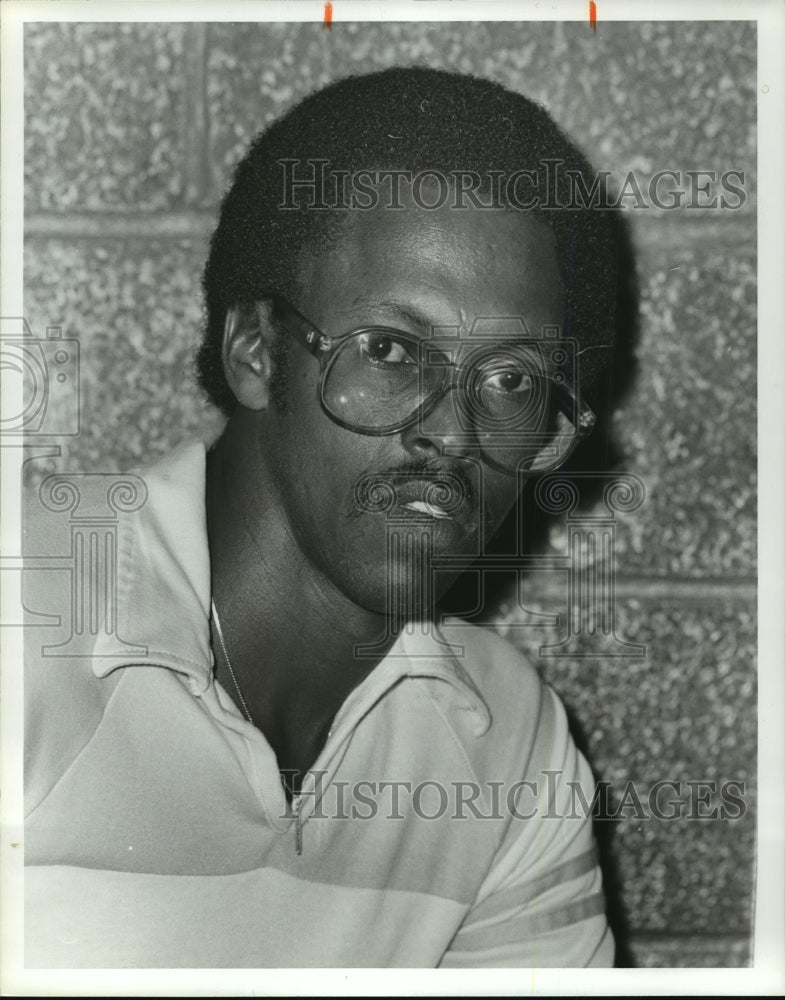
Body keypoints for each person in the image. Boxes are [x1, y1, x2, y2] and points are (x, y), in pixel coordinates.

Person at [23, 67, 623, 967]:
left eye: (511, 381)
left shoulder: (507, 739)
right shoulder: (23, 612)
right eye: (388, 350)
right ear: (256, 351)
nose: (454, 436)